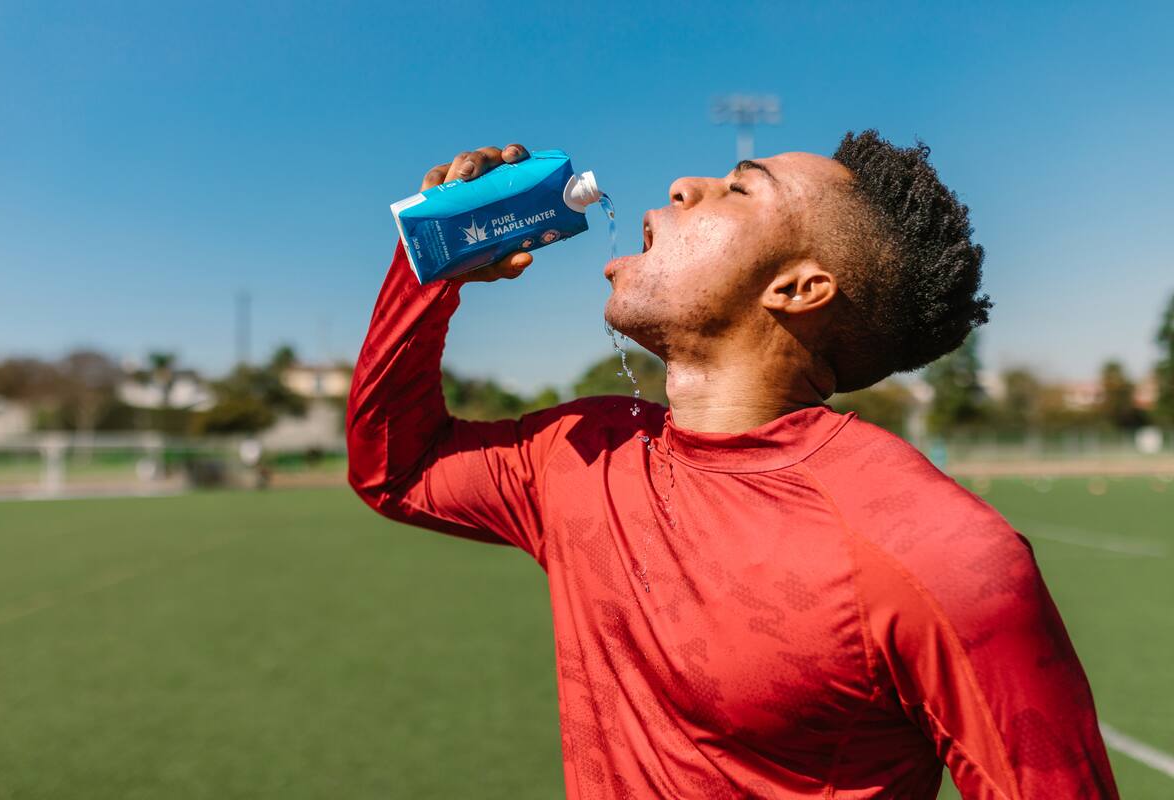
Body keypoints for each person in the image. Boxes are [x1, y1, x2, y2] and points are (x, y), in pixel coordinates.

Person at [347, 133, 1119, 799]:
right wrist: (430, 271)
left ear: (798, 288)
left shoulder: (938, 552)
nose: (683, 185)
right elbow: (398, 468)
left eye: (740, 188)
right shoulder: (584, 451)